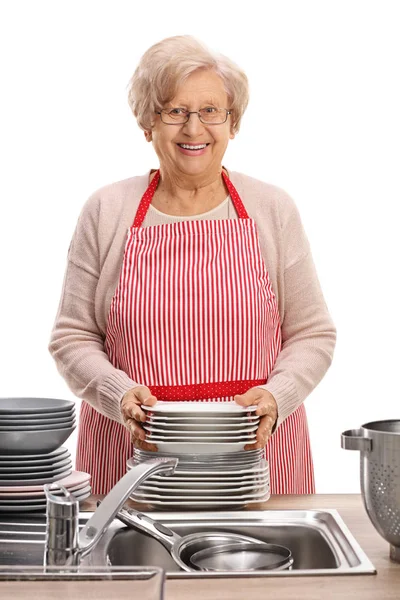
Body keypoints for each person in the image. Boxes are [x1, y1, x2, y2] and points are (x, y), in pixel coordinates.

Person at [49, 35, 336, 495]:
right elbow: (72, 336)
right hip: (133, 456)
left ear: (233, 122)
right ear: (147, 123)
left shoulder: (272, 209)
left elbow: (313, 332)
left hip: (253, 453)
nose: (193, 128)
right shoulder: (106, 210)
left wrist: (277, 397)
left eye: (210, 111)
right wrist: (118, 393)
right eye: (175, 111)